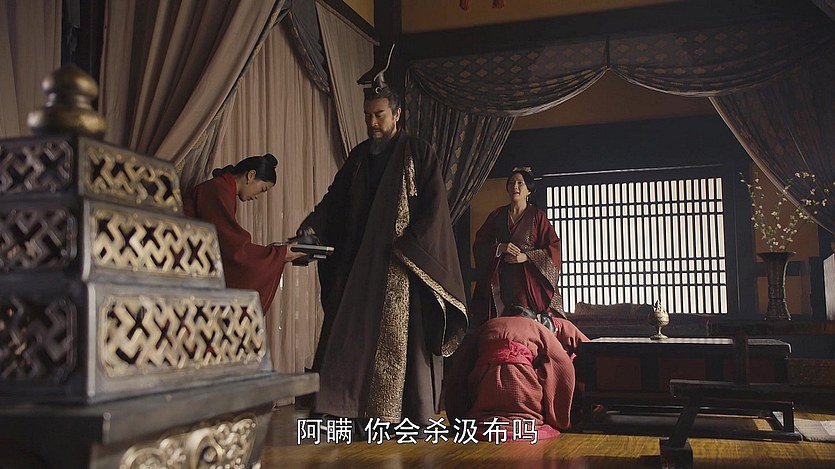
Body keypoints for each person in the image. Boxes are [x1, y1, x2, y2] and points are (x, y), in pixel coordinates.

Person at [297, 82, 467, 427]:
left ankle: (402, 413)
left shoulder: (418, 153)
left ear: (397, 114)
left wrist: (410, 246)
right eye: (367, 116)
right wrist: (313, 226)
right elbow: (335, 200)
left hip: (400, 263)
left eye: (379, 115)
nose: (372, 123)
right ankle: (342, 407)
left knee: (401, 344)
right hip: (357, 263)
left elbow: (435, 209)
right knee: (347, 336)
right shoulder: (359, 157)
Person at [470, 168, 588, 355]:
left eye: (520, 183)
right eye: (511, 183)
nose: (515, 187)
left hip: (529, 280)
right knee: (501, 321)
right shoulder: (497, 215)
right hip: (502, 277)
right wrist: (500, 247)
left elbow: (554, 247)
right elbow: (480, 243)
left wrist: (527, 257)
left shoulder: (537, 216)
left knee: (528, 321)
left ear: (529, 190)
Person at [183, 153, 303, 312]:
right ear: (251, 175)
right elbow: (230, 245)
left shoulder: (223, 188)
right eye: (262, 189)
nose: (257, 196)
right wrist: (277, 254)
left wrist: (277, 254)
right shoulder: (218, 189)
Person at [444, 304, 576, 440]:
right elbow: (562, 364)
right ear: (532, 318)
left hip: (486, 386)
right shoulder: (537, 327)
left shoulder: (488, 325)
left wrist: (457, 415)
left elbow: (461, 366)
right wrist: (558, 415)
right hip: (523, 385)